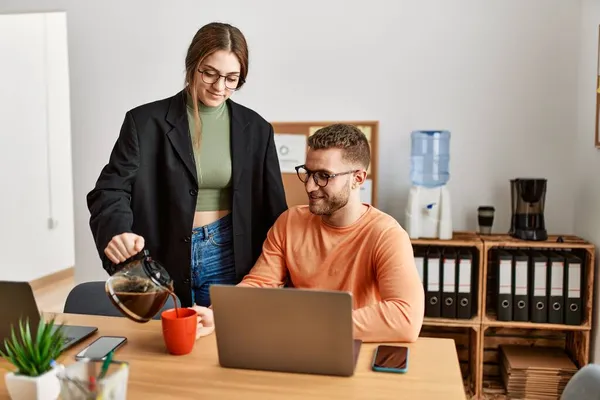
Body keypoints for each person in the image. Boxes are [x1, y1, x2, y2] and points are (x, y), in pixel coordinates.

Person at [87, 22, 288, 309]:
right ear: (192, 65)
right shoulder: (144, 122)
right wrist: (117, 231)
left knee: (219, 347)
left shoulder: (256, 129)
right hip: (160, 254)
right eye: (210, 73)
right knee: (157, 346)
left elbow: (274, 211)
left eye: (232, 78)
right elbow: (110, 190)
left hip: (229, 254)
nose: (220, 87)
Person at [195, 123, 425, 343]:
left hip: (352, 346)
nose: (310, 186)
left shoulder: (386, 235)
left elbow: (406, 317)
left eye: (324, 175)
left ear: (358, 179)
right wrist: (220, 314)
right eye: (308, 172)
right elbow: (260, 284)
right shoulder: (290, 222)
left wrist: (312, 325)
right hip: (299, 344)